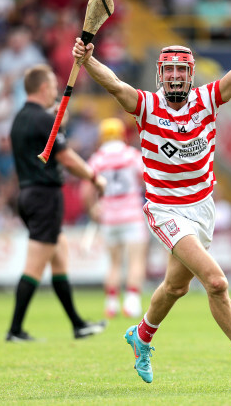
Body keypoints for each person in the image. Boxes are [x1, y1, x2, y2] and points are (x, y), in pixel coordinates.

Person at [72, 14, 231, 386]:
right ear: (160, 75)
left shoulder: (208, 100)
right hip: (165, 210)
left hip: (202, 208)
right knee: (217, 282)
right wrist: (87, 60)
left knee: (176, 287)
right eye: (169, 71)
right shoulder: (145, 106)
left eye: (181, 71)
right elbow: (113, 83)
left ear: (190, 74)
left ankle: (141, 336)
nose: (175, 76)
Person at [6, 64, 107, 342]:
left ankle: (77, 324)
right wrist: (94, 177)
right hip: (44, 197)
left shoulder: (19, 119)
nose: (55, 90)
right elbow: (66, 157)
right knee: (35, 265)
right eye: (52, 85)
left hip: (27, 194)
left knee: (59, 257)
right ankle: (15, 330)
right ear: (42, 88)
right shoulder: (43, 120)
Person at [87, 117, 148, 319]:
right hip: (132, 215)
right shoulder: (131, 156)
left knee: (113, 263)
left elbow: (86, 189)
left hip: (109, 217)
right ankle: (132, 303)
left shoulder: (97, 159)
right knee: (135, 261)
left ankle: (111, 303)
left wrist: (93, 207)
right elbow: (147, 178)